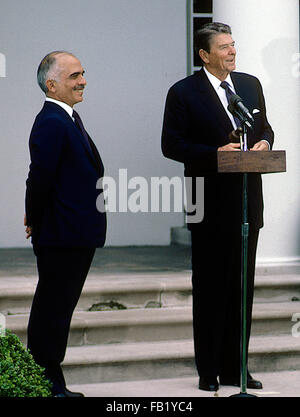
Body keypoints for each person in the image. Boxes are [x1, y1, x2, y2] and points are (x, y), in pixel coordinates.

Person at [161, 23, 274, 392]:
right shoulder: (182, 93)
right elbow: (171, 145)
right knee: (210, 289)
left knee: (242, 289)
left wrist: (262, 145)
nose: (231, 52)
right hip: (208, 203)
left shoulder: (249, 85)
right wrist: (213, 154)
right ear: (204, 55)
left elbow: (265, 129)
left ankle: (236, 369)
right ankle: (208, 370)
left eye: (233, 45)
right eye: (223, 47)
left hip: (246, 202)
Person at [24, 51, 106, 397]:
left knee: (57, 310)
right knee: (52, 311)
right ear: (52, 84)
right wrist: (35, 217)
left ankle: (51, 382)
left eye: (83, 73)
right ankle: (47, 384)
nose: (83, 80)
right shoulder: (52, 121)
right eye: (74, 76)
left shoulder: (67, 118)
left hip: (73, 233)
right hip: (62, 235)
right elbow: (39, 178)